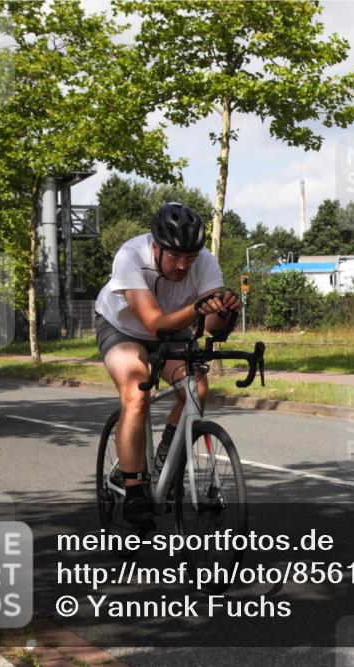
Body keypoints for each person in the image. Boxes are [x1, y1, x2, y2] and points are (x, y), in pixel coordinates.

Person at [95, 202, 241, 526]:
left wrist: (227, 312)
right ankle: (134, 489)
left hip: (173, 328)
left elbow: (215, 327)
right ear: (155, 248)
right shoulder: (131, 256)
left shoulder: (205, 263)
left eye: (189, 257)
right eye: (174, 256)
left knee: (196, 387)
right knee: (136, 390)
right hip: (122, 327)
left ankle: (165, 460)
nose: (182, 266)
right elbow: (154, 323)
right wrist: (198, 307)